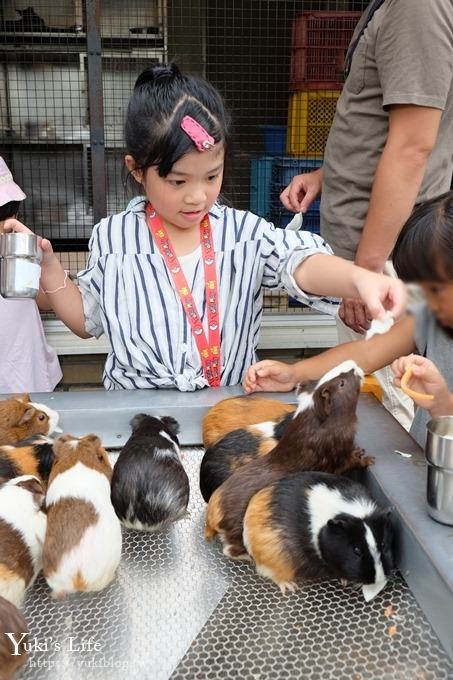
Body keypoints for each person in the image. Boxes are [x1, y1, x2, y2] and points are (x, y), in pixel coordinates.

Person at [4, 64, 405, 391]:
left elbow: (298, 261)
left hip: (226, 408)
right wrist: (52, 269)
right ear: (137, 170)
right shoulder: (113, 237)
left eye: (211, 177)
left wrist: (359, 280)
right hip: (136, 415)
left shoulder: (241, 233)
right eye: (178, 182)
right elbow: (87, 320)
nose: (197, 196)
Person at [281, 0, 453, 429]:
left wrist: (367, 271)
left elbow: (413, 146)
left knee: (384, 418)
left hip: (387, 252)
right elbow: (383, 123)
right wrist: (329, 173)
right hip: (376, 256)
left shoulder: (418, 7)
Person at [244, 192, 453, 447]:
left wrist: (443, 406)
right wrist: (295, 374)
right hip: (426, 468)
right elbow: (366, 353)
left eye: (434, 289)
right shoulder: (430, 319)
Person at [0, 157, 62, 393]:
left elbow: (45, 299)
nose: (6, 224)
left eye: (9, 212)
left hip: (26, 372)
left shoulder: (14, 248)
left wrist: (39, 260)